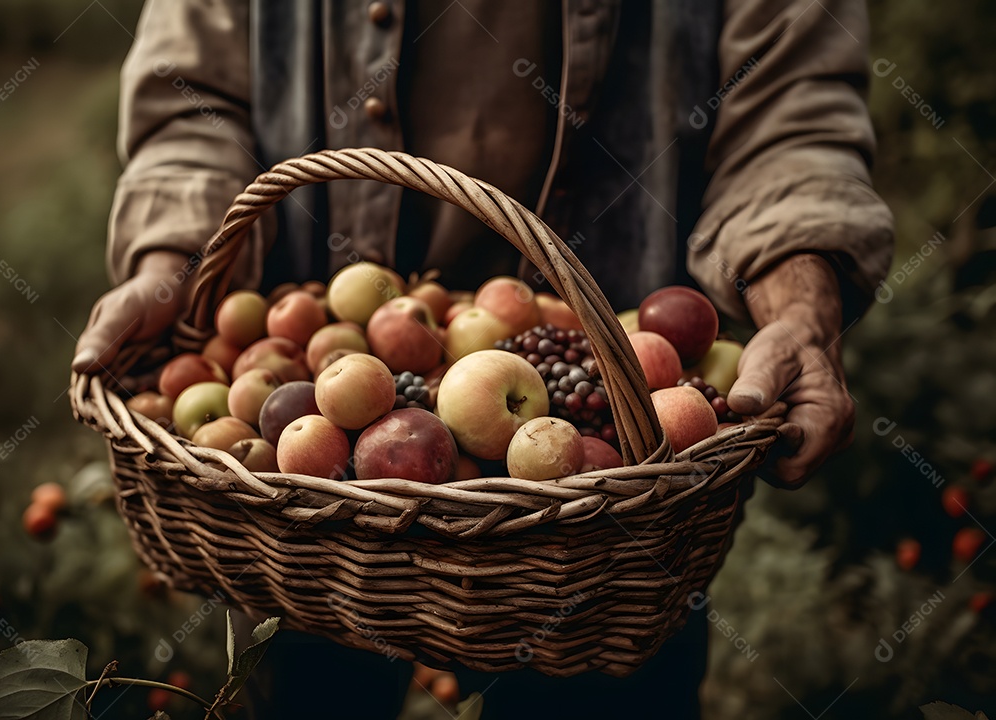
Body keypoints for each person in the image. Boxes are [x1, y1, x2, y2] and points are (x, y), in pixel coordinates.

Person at [72, 1, 894, 717]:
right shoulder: (307, 405)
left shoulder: (608, 415)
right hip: (303, 516)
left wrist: (800, 306)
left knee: (599, 698)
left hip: (606, 505)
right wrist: (171, 259)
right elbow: (192, 93)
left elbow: (791, 100)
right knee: (304, 687)